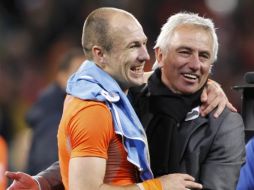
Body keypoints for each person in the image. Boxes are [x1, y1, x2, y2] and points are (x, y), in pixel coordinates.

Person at [5, 8, 235, 190]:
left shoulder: (115, 94)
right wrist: (158, 186)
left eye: (144, 43)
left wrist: (206, 84)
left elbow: (92, 160)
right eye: (133, 46)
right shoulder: (94, 108)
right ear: (99, 54)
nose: (145, 55)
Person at [134, 12, 245, 189]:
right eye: (185, 52)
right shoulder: (128, 100)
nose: (195, 64)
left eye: (204, 56)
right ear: (160, 56)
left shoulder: (224, 124)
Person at [25, 48, 85, 176]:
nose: (85, 80)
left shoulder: (74, 107)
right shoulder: (51, 113)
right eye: (77, 73)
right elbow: (46, 166)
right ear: (61, 77)